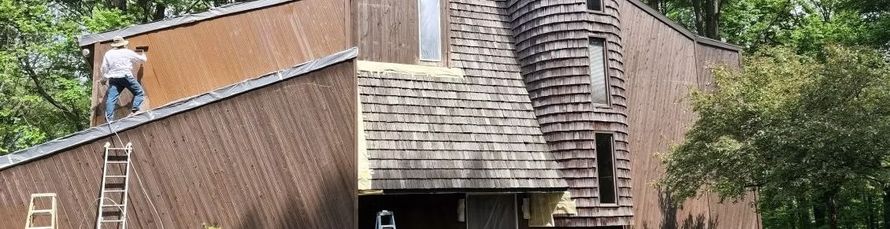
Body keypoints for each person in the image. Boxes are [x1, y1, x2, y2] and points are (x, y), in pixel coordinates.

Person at [101, 36, 147, 121]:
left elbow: (104, 67)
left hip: (114, 78)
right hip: (126, 76)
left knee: (111, 99)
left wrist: (104, 78)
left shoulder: (108, 53)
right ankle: (135, 110)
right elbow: (142, 60)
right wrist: (143, 53)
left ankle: (109, 119)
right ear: (123, 44)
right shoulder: (127, 52)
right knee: (139, 93)